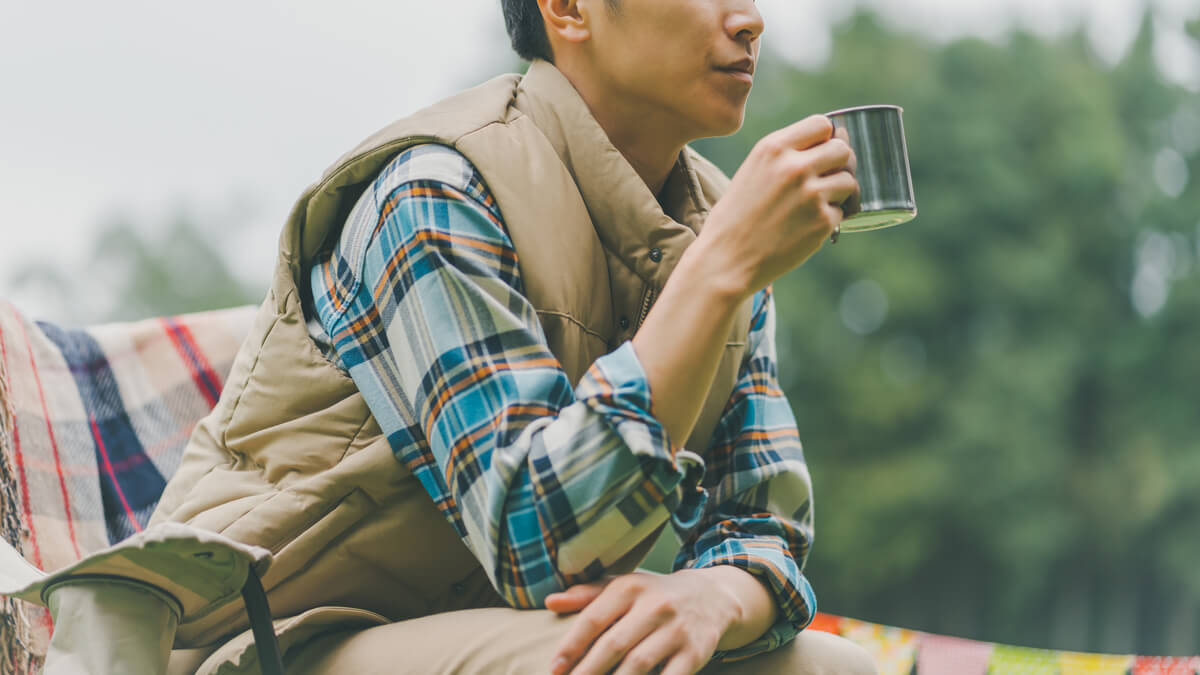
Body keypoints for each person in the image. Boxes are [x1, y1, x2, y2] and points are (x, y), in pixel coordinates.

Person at [113, 0, 872, 673]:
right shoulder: (433, 190)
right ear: (569, 8)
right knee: (602, 661)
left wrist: (712, 593)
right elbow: (535, 542)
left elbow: (760, 522)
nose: (750, 19)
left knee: (838, 668)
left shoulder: (718, 229)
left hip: (486, 628)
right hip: (270, 633)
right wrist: (718, 272)